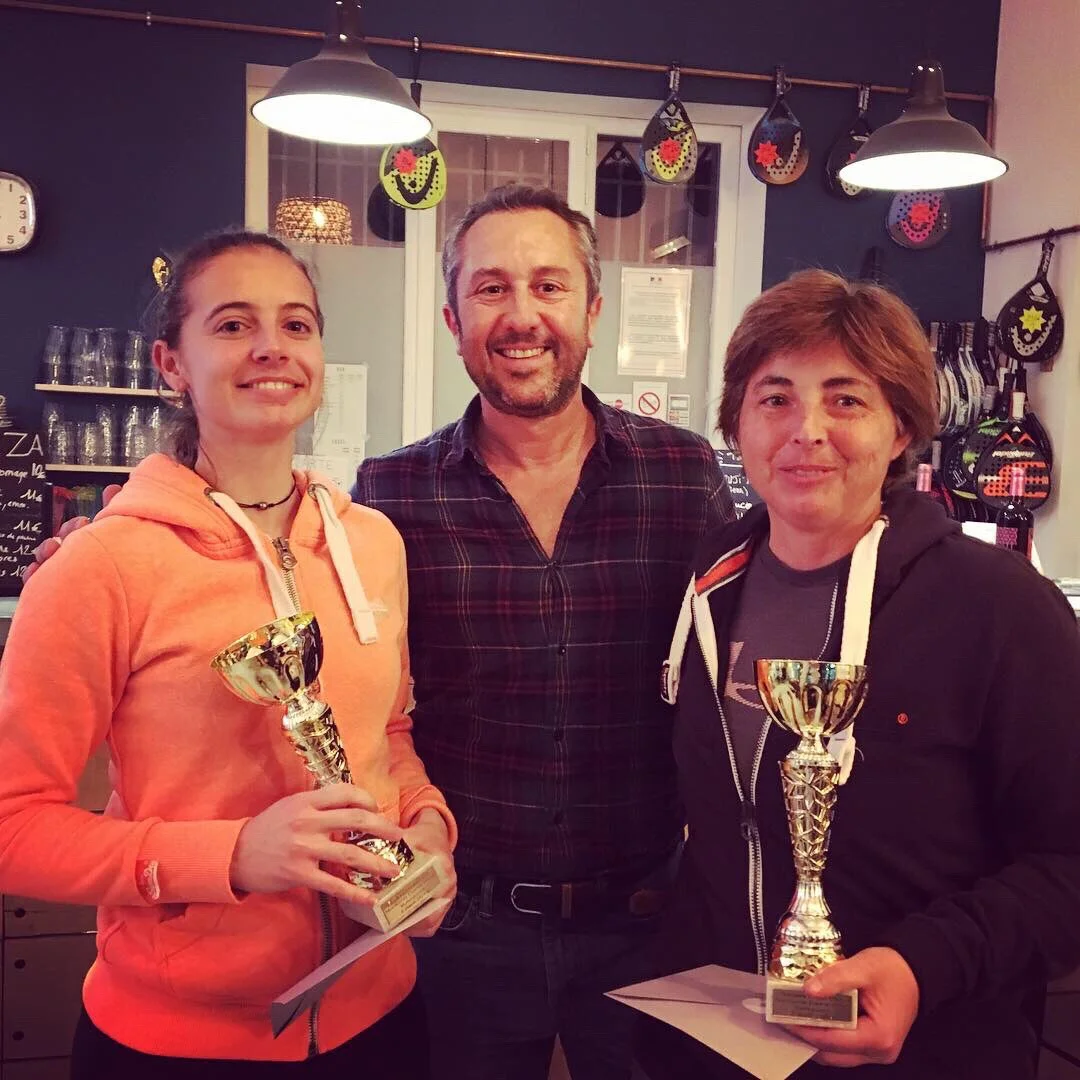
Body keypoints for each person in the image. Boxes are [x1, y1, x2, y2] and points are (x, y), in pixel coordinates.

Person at [0, 230, 456, 1077]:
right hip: (179, 1040)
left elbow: (389, 734)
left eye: (297, 324)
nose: (272, 348)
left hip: (379, 1014)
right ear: (171, 364)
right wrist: (231, 856)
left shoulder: (373, 543)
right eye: (234, 324)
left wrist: (428, 827)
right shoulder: (102, 565)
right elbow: (12, 824)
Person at [634, 269, 1080, 1078]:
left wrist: (922, 967)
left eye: (846, 399)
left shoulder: (1000, 607)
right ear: (737, 424)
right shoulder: (708, 587)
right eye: (775, 398)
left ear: (901, 427)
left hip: (926, 1051)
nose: (806, 430)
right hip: (722, 1042)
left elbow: (1068, 864)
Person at [353, 184, 734, 1079]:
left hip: (648, 925)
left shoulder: (683, 474)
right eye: (491, 289)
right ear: (454, 321)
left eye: (549, 286)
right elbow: (341, 662)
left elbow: (754, 635)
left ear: (592, 311)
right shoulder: (391, 492)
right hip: (459, 928)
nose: (522, 316)